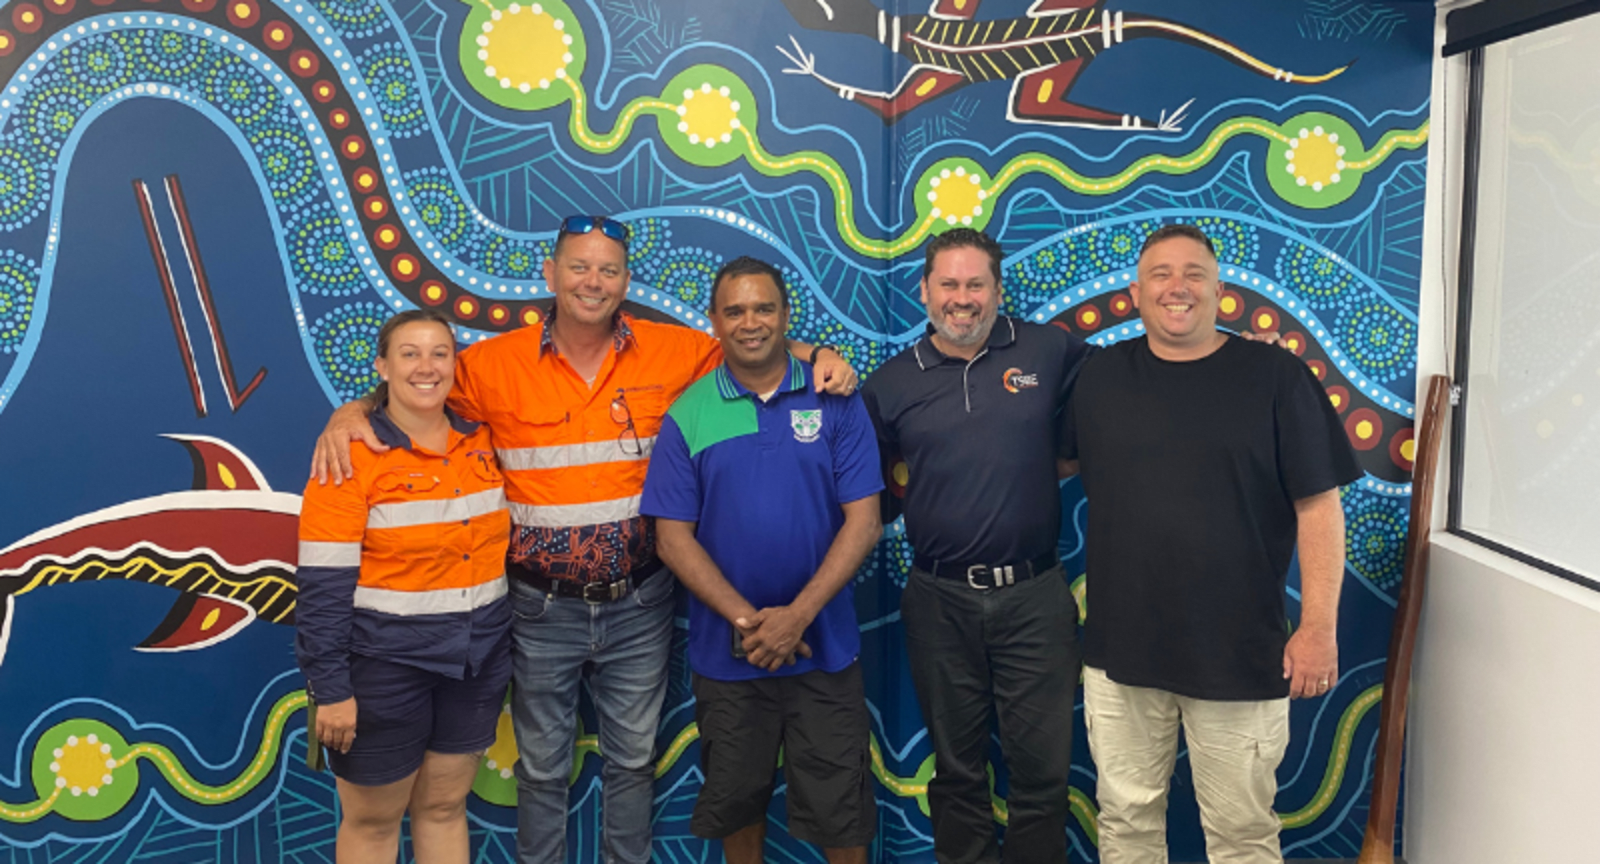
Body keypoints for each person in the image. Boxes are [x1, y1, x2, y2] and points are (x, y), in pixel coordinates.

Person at [309, 215, 860, 864]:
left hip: (640, 601)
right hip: (540, 607)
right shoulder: (490, 365)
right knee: (541, 768)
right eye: (578, 267)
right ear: (551, 274)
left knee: (632, 760)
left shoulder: (675, 350)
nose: (592, 282)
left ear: (626, 281)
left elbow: (754, 347)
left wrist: (820, 355)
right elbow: (412, 391)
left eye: (607, 269)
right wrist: (351, 414)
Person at [1061, 223, 1361, 864]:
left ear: (1219, 289)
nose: (1178, 287)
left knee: (1242, 834)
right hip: (1122, 654)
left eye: (1194, 273)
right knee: (1126, 822)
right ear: (1135, 292)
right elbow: (1035, 459)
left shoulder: (1276, 376)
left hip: (1240, 654)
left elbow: (1320, 508)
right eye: (1162, 275)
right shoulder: (1099, 379)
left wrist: (1318, 627)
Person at [641, 257, 884, 864]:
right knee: (737, 803)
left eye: (764, 308)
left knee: (842, 810)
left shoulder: (836, 399)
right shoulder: (687, 414)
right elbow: (672, 539)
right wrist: (754, 625)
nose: (751, 322)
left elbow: (865, 521)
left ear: (785, 315)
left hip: (823, 648)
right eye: (735, 311)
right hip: (729, 655)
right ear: (715, 322)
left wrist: (796, 619)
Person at [861, 228, 1089, 864]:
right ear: (926, 291)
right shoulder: (890, 385)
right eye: (949, 285)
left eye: (975, 284)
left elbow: (1125, 398)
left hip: (1036, 598)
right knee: (957, 773)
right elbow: (863, 494)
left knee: (1042, 776)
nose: (962, 299)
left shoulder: (1051, 351)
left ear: (996, 288)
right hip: (938, 600)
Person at [296, 309, 513, 864]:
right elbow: (322, 587)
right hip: (383, 670)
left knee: (444, 808)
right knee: (372, 823)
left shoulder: (483, 440)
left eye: (440, 353)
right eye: (409, 353)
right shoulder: (349, 457)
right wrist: (331, 688)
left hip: (475, 663)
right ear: (382, 367)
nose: (426, 366)